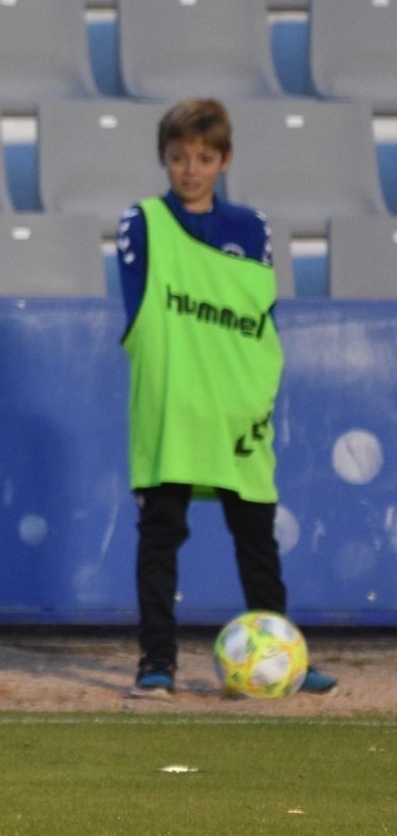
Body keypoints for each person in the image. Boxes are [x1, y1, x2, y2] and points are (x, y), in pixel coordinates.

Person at [117, 97, 336, 700]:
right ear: (164, 159)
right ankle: (156, 662)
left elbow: (256, 318)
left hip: (237, 410)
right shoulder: (141, 222)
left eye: (204, 157)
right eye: (179, 157)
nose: (190, 169)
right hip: (172, 407)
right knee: (161, 535)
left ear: (225, 160)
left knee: (256, 538)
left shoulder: (252, 228)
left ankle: (286, 655)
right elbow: (141, 315)